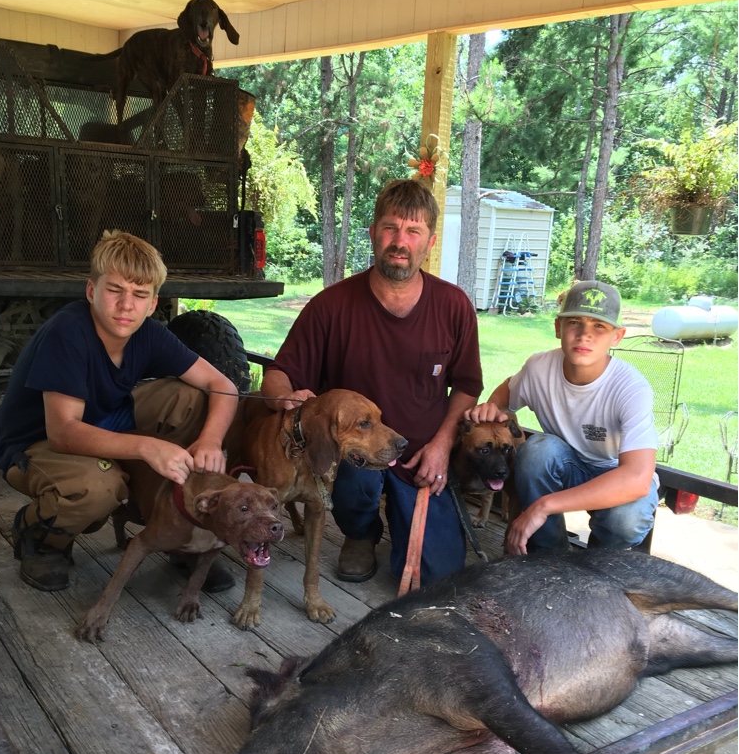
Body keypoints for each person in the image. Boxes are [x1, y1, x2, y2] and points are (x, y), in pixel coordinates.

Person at [261, 178, 483, 586]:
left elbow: (468, 385)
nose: (400, 241)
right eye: (390, 228)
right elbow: (278, 373)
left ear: (430, 242)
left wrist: (442, 445)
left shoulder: (453, 305)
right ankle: (360, 533)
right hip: (355, 458)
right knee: (356, 480)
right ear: (373, 233)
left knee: (438, 576)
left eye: (413, 231)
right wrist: (283, 398)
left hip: (420, 456)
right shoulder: (331, 305)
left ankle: (408, 522)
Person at [0, 230, 239, 592]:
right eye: (115, 290)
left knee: (195, 399)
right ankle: (40, 538)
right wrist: (146, 447)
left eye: (139, 295)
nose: (126, 305)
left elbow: (222, 385)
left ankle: (178, 532)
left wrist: (210, 441)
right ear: (91, 291)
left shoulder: (147, 333)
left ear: (152, 304)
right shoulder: (68, 331)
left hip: (106, 420)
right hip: (36, 446)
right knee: (98, 486)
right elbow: (63, 431)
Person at [466, 280, 659, 555]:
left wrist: (542, 506)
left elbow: (637, 478)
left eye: (599, 326)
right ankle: (549, 556)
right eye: (575, 322)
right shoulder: (539, 368)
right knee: (537, 451)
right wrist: (492, 407)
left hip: (614, 472)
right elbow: (509, 389)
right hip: (565, 465)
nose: (584, 335)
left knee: (627, 518)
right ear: (558, 327)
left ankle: (598, 562)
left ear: (617, 336)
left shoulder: (631, 387)